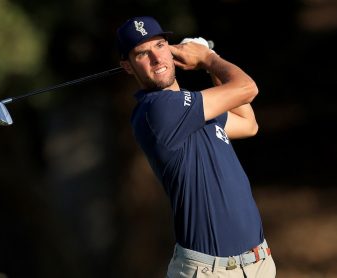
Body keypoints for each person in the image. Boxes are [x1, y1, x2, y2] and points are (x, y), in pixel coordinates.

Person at [116, 16, 276, 278]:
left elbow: (248, 124)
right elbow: (247, 88)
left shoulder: (192, 108)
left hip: (258, 264)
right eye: (142, 53)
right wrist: (208, 58)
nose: (157, 59)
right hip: (209, 271)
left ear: (171, 48)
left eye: (159, 45)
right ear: (127, 66)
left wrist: (210, 63)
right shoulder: (158, 110)